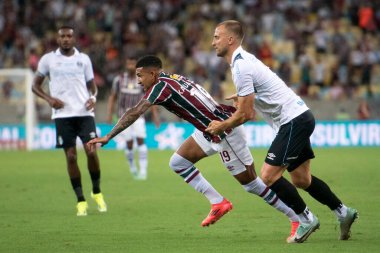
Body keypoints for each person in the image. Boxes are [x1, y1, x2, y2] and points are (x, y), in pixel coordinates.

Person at [88, 55, 300, 240]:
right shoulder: (173, 78)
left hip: (224, 131)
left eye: (140, 76)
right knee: (178, 162)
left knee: (251, 184)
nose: (138, 81)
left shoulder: (160, 86)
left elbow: (135, 111)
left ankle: (296, 218)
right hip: (208, 129)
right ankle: (218, 202)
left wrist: (108, 136)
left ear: (152, 74)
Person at [206, 20, 358, 243]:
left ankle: (306, 219)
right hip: (300, 117)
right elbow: (254, 106)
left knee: (268, 176)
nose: (212, 42)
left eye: (217, 37)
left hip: (293, 120)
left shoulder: (241, 66)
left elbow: (247, 115)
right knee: (301, 179)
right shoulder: (242, 61)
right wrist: (244, 100)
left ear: (230, 39)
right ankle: (343, 212)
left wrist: (221, 126)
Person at [31, 25, 107, 216]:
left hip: (84, 113)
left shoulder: (83, 59)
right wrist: (49, 99)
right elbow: (35, 86)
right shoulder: (48, 60)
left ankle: (96, 191)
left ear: (74, 39)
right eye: (62, 36)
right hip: (62, 115)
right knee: (71, 156)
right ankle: (80, 200)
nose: (65, 39)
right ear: (58, 40)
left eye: (69, 36)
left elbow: (93, 86)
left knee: (91, 152)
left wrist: (93, 99)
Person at [107, 56, 160, 180]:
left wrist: (155, 115)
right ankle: (132, 166)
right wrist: (109, 115)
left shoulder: (142, 80)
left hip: (138, 116)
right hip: (123, 117)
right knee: (129, 143)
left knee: (141, 140)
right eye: (129, 63)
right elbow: (112, 97)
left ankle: (143, 170)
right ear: (126, 64)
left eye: (133, 64)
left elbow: (149, 98)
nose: (131, 66)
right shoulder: (119, 80)